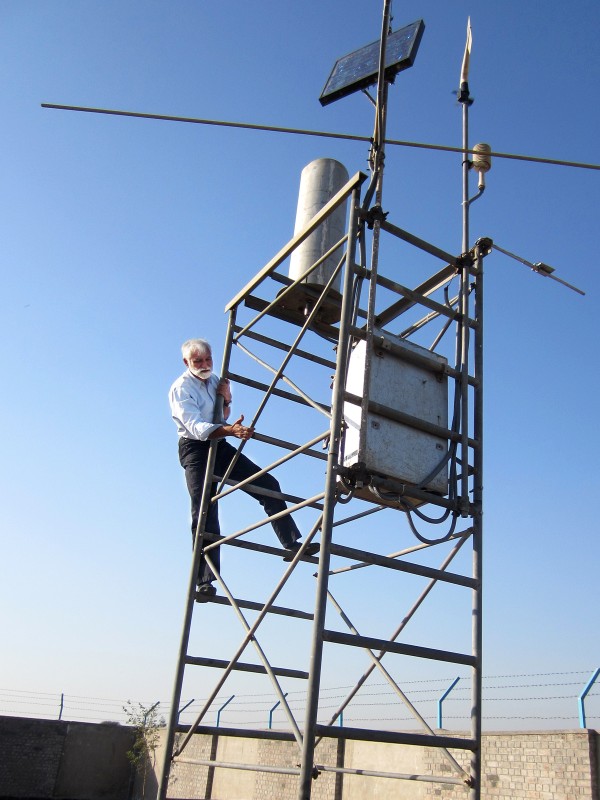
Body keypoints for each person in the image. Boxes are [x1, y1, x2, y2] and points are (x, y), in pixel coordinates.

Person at [169, 337, 317, 597]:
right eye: (198, 361)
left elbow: (221, 418)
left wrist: (225, 401)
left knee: (268, 484)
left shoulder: (217, 381)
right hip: (195, 448)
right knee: (205, 510)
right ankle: (205, 581)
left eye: (208, 360)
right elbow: (197, 428)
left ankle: (291, 543)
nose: (204, 365)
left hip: (220, 441)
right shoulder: (181, 388)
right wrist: (230, 429)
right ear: (186, 362)